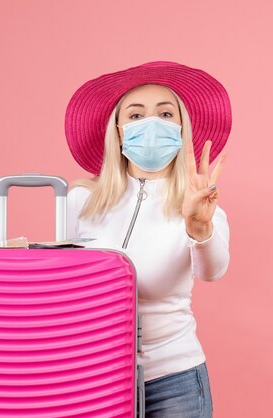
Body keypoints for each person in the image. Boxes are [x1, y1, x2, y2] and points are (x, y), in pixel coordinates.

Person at [64, 61, 232, 417]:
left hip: (175, 382)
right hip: (95, 378)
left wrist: (199, 227)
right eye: (136, 115)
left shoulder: (199, 207)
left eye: (166, 113)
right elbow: (63, 286)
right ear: (119, 130)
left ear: (182, 129)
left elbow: (213, 270)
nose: (150, 124)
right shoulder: (79, 200)